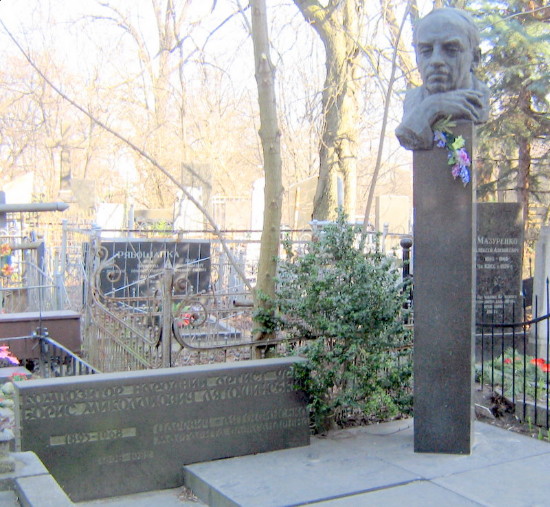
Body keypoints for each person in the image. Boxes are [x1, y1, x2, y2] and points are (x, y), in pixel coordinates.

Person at [395, 8, 490, 151]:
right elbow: (407, 134)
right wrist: (432, 106)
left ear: (475, 58)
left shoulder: (479, 99)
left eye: (451, 50)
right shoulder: (413, 101)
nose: (436, 60)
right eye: (426, 51)